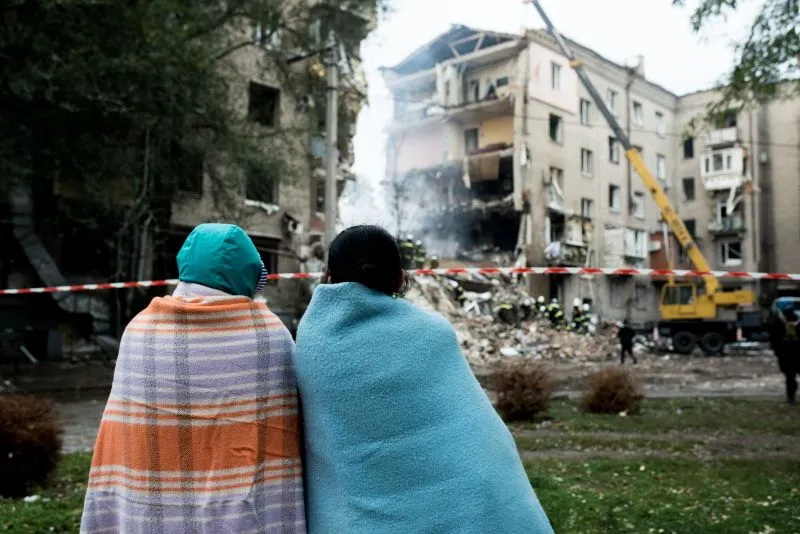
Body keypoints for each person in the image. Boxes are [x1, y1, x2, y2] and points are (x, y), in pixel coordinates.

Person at [294, 225, 553, 534]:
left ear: (329, 277)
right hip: (471, 511)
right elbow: (477, 433)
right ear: (400, 278)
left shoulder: (312, 341)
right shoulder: (433, 334)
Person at [81, 224, 306, 534]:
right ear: (250, 272)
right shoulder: (269, 334)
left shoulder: (141, 330)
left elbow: (123, 435)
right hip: (240, 515)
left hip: (150, 514)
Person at [768, 297, 800, 404]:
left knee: (790, 378)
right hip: (798, 353)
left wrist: (778, 353)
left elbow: (774, 340)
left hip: (786, 355)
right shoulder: (798, 321)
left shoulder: (778, 323)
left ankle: (791, 398)